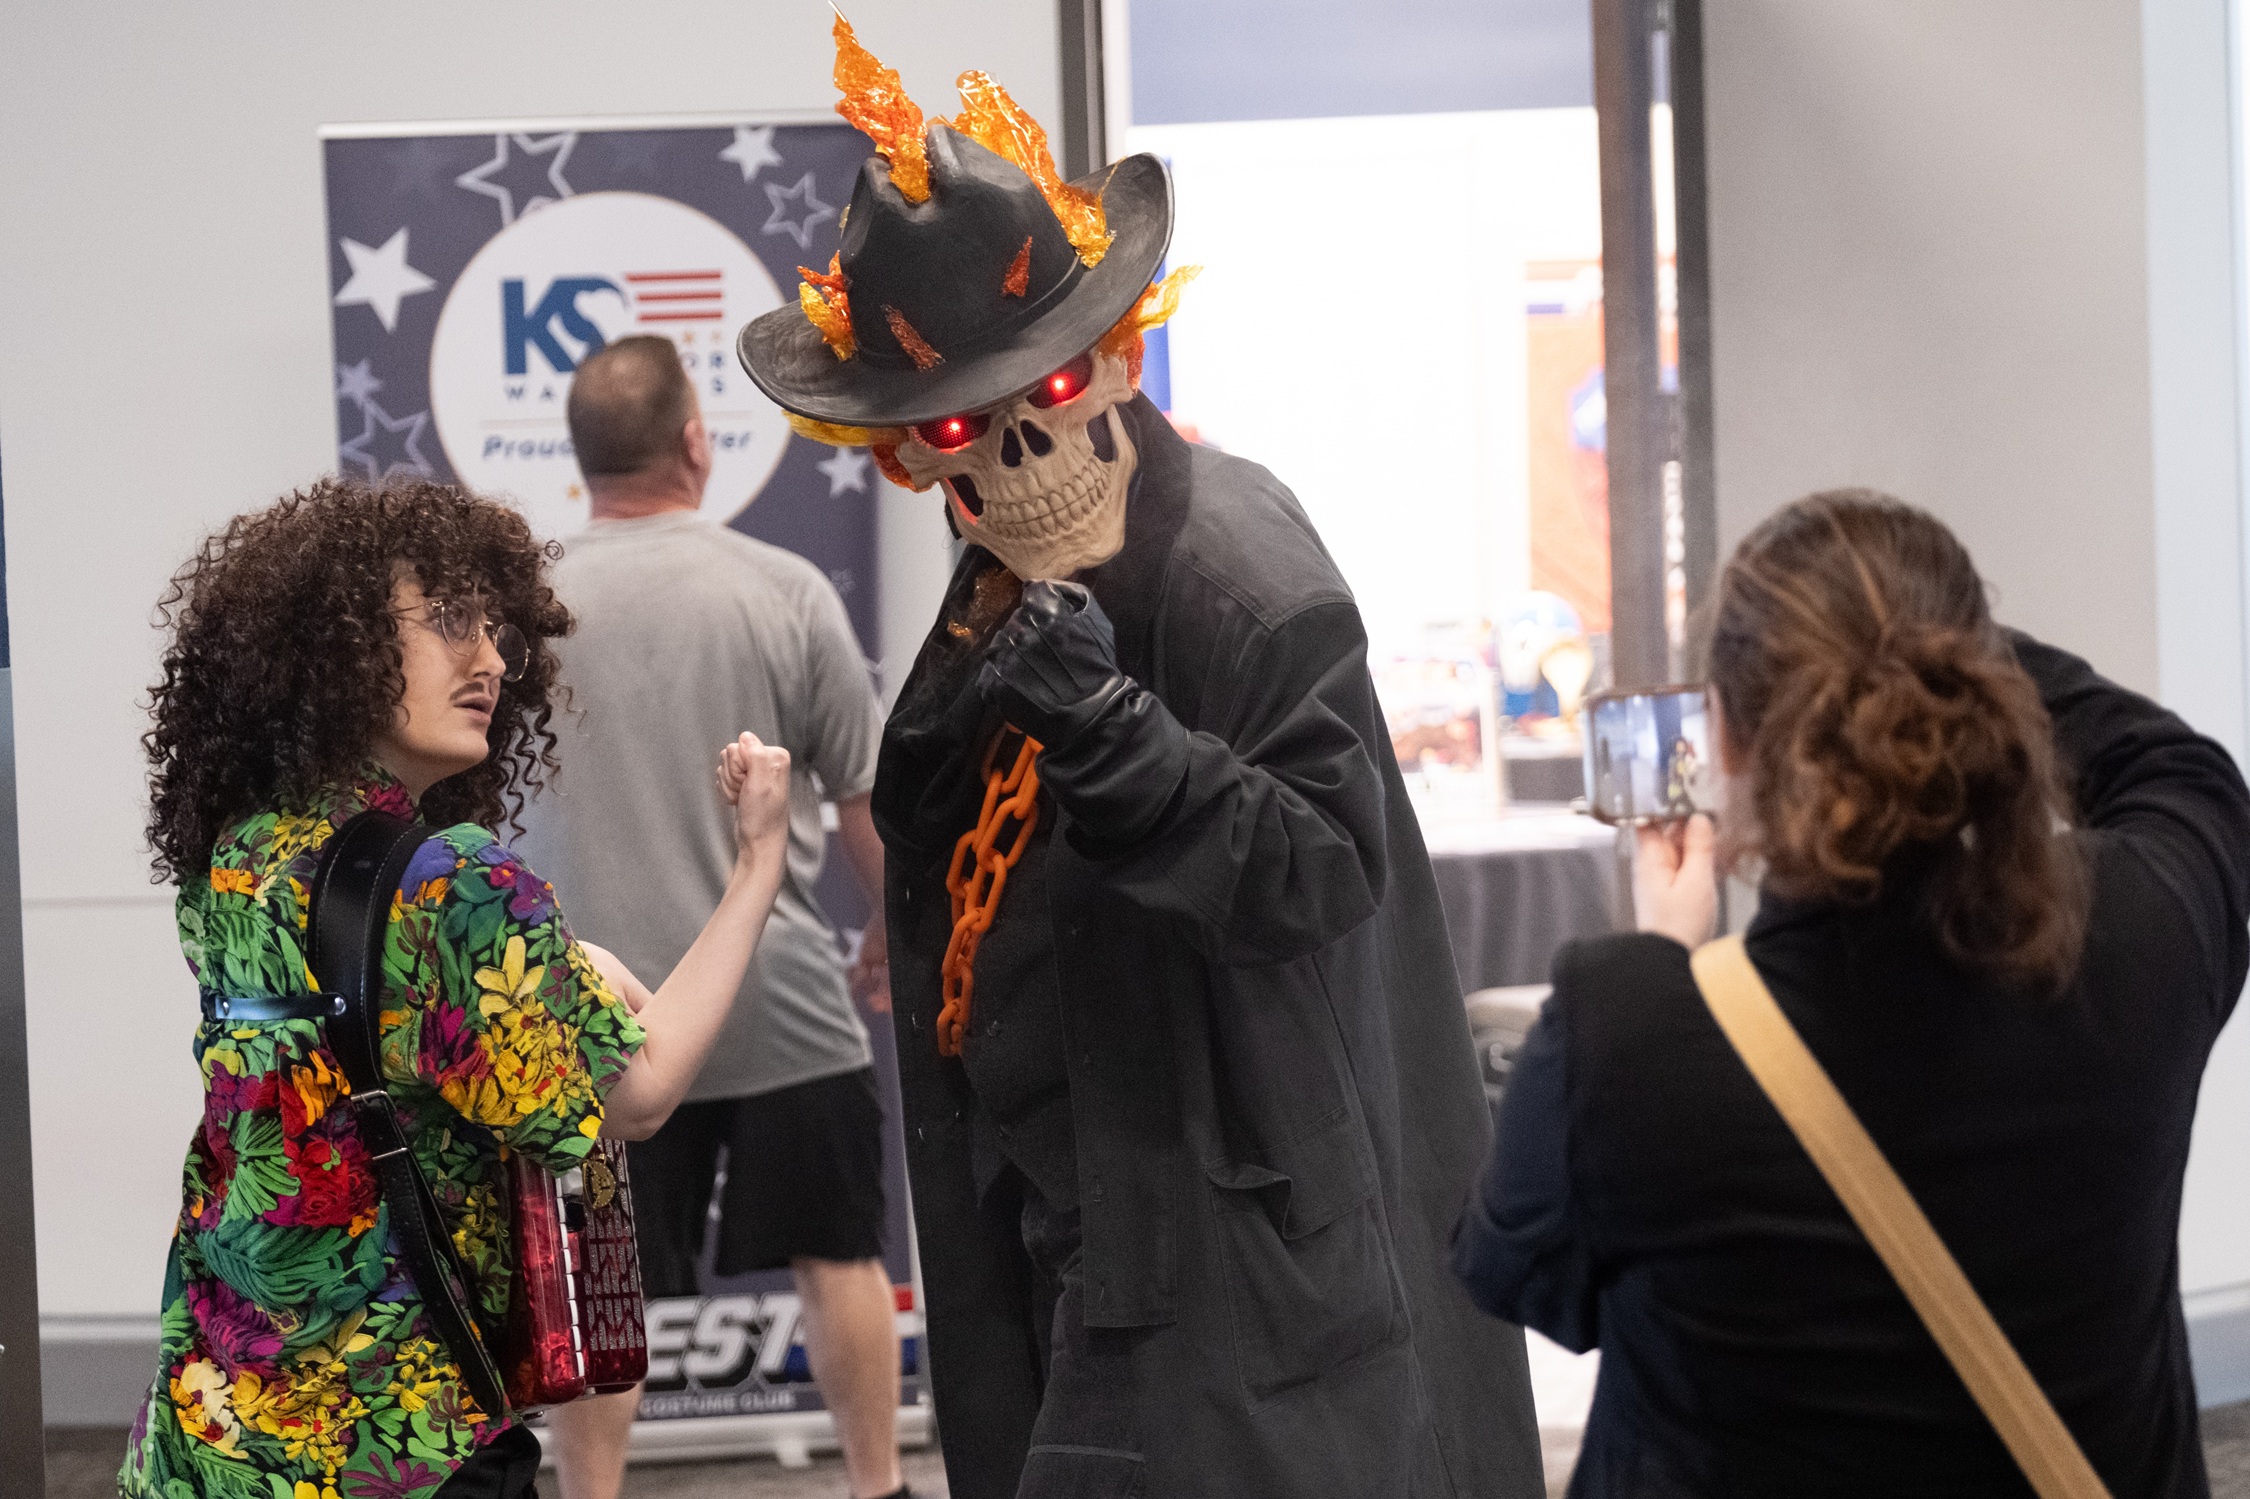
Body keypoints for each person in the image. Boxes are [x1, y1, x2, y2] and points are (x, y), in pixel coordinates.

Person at [735, 20, 1543, 1498]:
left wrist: (1110, 730)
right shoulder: (1008, 572)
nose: (1025, 462)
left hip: (1226, 1265)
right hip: (1083, 1216)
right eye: (973, 424)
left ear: (1111, 358)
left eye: (1047, 398)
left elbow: (1319, 864)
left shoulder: (1231, 572)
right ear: (915, 450)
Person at [1453, 490, 2250, 1495]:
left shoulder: (1627, 1033)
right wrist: (1928, 630)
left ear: (1730, 745)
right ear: (1985, 706)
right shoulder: (2141, 937)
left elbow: (1521, 1273)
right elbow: (2179, 767)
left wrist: (1665, 943)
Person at [122, 477, 794, 1499]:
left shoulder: (238, 854)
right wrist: (758, 864)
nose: (488, 658)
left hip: (212, 1426)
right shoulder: (459, 885)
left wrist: (567, 970)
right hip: (403, 1441)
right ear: (334, 646)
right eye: (446, 622)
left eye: (494, 630)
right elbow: (642, 1089)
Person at [515, 335, 908, 1499]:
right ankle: (879, 1485)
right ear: (695, 441)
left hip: (596, 1018)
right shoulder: (781, 587)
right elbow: (862, 801)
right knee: (839, 1251)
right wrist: (888, 927)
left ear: (580, 455)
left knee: (601, 1279)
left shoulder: (520, 612)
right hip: (773, 994)